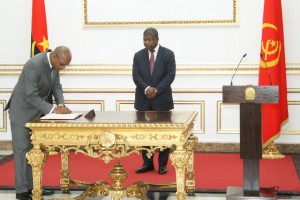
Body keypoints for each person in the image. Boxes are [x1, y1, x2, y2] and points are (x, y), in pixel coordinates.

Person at [4, 46, 72, 200]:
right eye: (62, 64)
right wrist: (53, 110)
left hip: (37, 113)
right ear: (54, 56)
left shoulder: (55, 66)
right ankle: (21, 191)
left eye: (66, 65)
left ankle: (34, 187)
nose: (63, 67)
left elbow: (56, 87)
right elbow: (31, 96)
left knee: (34, 151)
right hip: (21, 111)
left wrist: (61, 104)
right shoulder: (34, 65)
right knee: (22, 151)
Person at [132, 27, 176, 175]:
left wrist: (156, 89)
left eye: (150, 40)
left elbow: (170, 75)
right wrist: (146, 89)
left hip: (162, 100)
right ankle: (147, 163)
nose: (147, 43)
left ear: (157, 39)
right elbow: (136, 76)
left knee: (163, 134)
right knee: (144, 134)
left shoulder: (168, 54)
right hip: (143, 100)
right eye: (145, 40)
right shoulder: (138, 56)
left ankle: (162, 165)